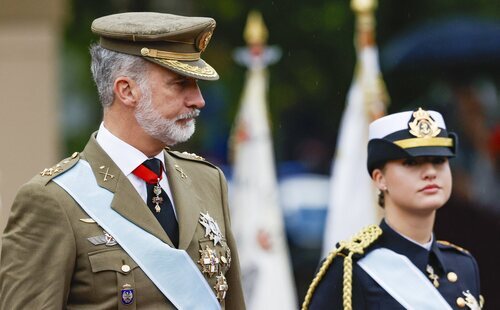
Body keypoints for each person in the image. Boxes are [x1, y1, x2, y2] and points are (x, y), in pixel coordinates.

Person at [0, 12, 245, 309]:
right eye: (180, 84)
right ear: (127, 90)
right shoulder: (53, 200)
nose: (198, 100)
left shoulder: (208, 181)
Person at [302, 108, 483, 309]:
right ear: (380, 179)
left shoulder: (463, 265)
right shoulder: (350, 269)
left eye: (439, 160)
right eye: (412, 162)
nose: (430, 172)